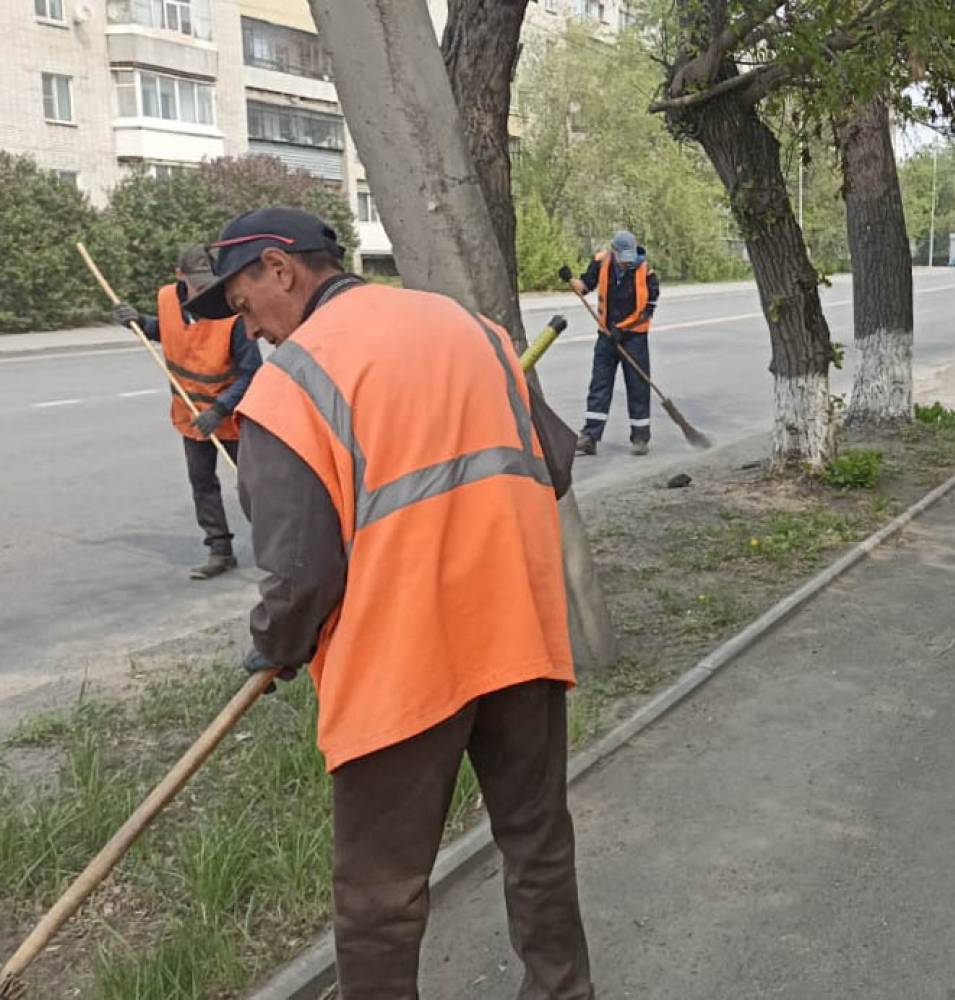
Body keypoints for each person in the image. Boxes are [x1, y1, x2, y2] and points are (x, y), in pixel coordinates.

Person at [186, 208, 594, 1000]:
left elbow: (299, 576)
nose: (250, 330)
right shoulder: (471, 330)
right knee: (537, 843)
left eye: (243, 306)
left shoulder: (293, 381)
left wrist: (276, 643)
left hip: (405, 665)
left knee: (379, 898)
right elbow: (555, 464)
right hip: (518, 633)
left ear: (281, 269)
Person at [112, 244, 263, 579]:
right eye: (198, 282)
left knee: (254, 486)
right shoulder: (168, 299)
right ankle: (219, 550)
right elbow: (169, 332)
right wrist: (139, 322)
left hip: (232, 416)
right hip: (190, 413)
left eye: (210, 281)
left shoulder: (232, 313)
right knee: (202, 482)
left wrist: (220, 409)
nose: (206, 290)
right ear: (180, 274)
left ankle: (280, 551)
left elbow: (252, 372)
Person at [570, 230, 659, 456]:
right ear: (614, 252)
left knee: (638, 386)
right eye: (623, 257)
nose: (627, 262)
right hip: (606, 336)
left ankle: (640, 438)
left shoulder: (646, 271)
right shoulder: (601, 262)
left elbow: (648, 308)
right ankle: (590, 436)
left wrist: (623, 328)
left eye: (630, 257)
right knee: (599, 384)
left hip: (634, 337)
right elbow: (586, 285)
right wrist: (573, 281)